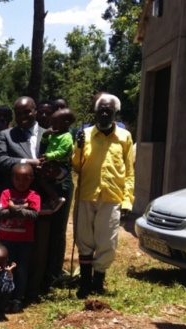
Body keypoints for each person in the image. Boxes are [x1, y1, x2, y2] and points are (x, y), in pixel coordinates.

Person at [72, 93, 134, 298]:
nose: (105, 113)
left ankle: (98, 282)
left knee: (107, 241)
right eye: (101, 109)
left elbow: (129, 171)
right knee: (84, 239)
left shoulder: (125, 137)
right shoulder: (85, 133)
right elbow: (76, 166)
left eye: (109, 110)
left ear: (115, 112)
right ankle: (85, 284)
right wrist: (79, 146)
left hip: (112, 195)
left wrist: (127, 200)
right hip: (87, 193)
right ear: (96, 112)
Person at [0, 163, 40, 313]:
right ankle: (5, 297)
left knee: (21, 270)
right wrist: (23, 208)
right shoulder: (5, 193)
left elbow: (34, 215)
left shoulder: (34, 195)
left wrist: (13, 208)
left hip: (24, 241)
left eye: (25, 179)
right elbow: (1, 213)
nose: (21, 182)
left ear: (32, 179)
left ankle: (17, 299)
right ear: (12, 179)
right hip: (5, 238)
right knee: (6, 268)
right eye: (17, 178)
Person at [37, 108, 75, 212]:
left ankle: (55, 198)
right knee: (44, 179)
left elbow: (61, 152)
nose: (52, 125)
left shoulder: (67, 137)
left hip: (61, 165)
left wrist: (48, 156)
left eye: (55, 122)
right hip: (51, 162)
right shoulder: (54, 134)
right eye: (51, 122)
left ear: (66, 123)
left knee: (44, 181)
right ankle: (50, 200)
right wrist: (45, 135)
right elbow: (44, 143)